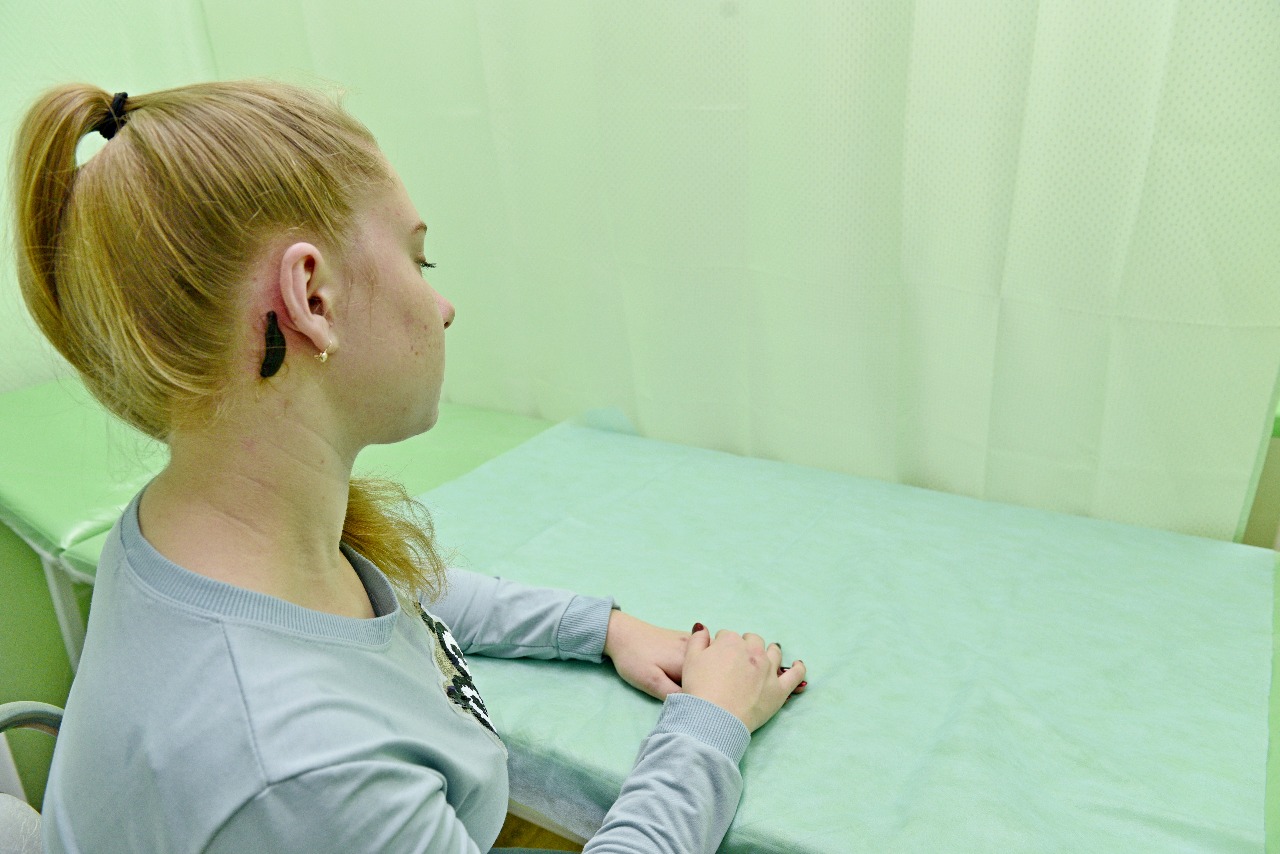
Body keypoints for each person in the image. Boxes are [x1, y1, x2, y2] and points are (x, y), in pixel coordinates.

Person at [11, 79, 807, 853]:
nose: (442, 307)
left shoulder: (187, 534)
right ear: (312, 299)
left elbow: (388, 595)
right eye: (420, 261)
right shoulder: (299, 772)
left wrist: (602, 628)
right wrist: (707, 727)